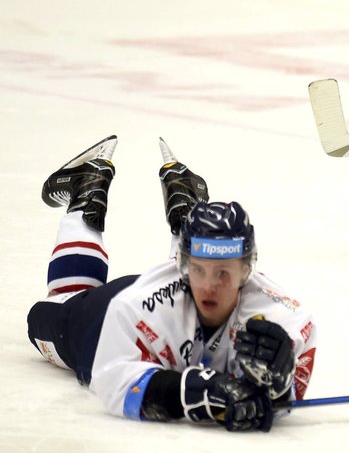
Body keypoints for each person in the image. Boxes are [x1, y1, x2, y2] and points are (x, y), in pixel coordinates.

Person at [26, 135, 318, 431]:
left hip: (170, 303)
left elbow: (288, 392)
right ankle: (83, 199)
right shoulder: (132, 308)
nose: (210, 286)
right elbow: (110, 380)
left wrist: (280, 385)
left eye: (223, 273)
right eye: (199, 270)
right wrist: (187, 392)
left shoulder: (285, 317)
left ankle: (186, 214)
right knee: (44, 315)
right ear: (182, 266)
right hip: (100, 316)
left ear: (247, 270)